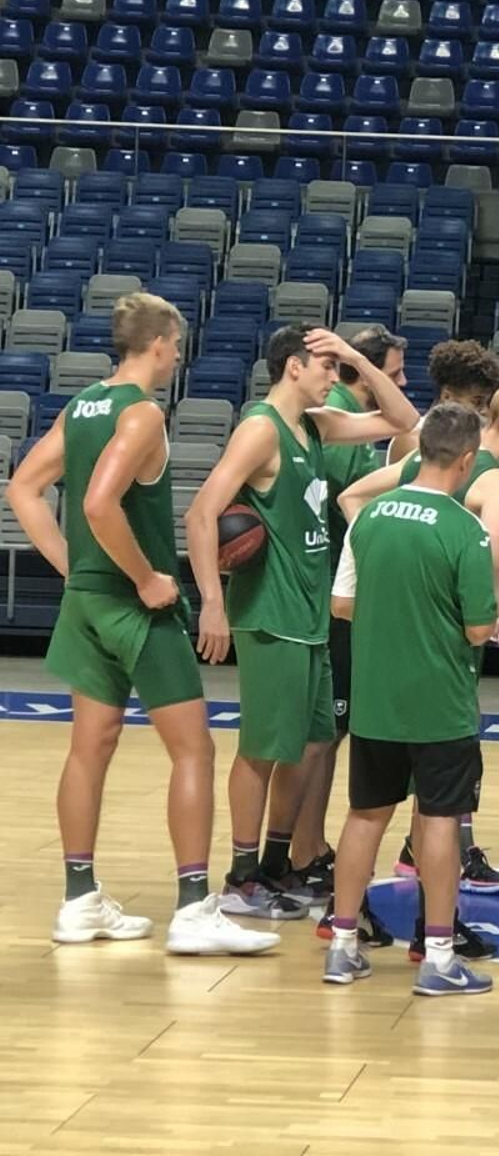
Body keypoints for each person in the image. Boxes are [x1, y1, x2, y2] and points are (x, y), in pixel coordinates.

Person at [8, 293, 276, 956]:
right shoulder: (143, 413)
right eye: (177, 344)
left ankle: (79, 902)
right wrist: (147, 578)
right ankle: (193, 908)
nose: (179, 355)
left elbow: (22, 488)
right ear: (158, 343)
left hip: (86, 605)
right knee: (194, 750)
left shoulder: (82, 405)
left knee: (88, 747)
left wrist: (72, 567)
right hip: (137, 608)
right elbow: (100, 504)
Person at [186, 325, 419, 920]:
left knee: (310, 744)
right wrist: (212, 601)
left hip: (310, 615)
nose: (332, 378)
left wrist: (352, 359)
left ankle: (276, 863)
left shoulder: (313, 426)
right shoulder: (261, 428)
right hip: (271, 614)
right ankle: (240, 878)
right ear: (294, 367)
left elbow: (401, 420)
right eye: (324, 366)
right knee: (263, 749)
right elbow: (203, 511)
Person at [336, 380, 499, 954]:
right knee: (440, 813)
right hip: (444, 656)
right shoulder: (497, 481)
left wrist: (372, 574)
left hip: (381, 662)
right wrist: (495, 605)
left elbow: (350, 498)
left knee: (368, 808)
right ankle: (435, 936)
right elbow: (494, 545)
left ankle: (342, 931)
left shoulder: (412, 467)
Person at [322, 403, 499, 996]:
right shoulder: (464, 529)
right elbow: (479, 629)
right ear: (468, 459)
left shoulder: (369, 518)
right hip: (440, 703)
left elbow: (341, 604)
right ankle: (440, 957)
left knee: (364, 817)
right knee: (439, 820)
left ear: (420, 450)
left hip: (376, 697)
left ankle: (343, 945)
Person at [381, 339, 499, 884]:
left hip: (434, 591)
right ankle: (448, 847)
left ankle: (429, 846)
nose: (483, 413)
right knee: (438, 743)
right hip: (432, 599)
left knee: (447, 740)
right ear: (452, 395)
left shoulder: (440, 445)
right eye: (478, 400)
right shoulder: (415, 443)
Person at [294, 325, 407, 919]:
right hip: (324, 596)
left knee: (325, 733)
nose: (401, 380)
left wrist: (362, 361)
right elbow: (350, 495)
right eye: (392, 368)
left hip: (333, 594)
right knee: (320, 735)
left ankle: (305, 848)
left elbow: (404, 418)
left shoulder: (342, 410)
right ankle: (299, 851)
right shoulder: (329, 411)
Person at [384, 339, 499, 467]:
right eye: (477, 402)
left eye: (487, 403)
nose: (485, 410)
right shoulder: (411, 440)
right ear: (447, 396)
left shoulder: (480, 442)